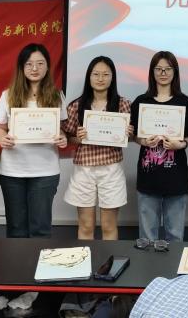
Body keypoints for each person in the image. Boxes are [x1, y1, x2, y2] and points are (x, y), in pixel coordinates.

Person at [0, 43, 68, 238]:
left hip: (45, 171)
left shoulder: (57, 96)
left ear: (47, 66)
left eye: (40, 63)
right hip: (12, 170)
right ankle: (17, 260)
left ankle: (39, 260)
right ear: (22, 67)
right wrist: (2, 139)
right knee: (16, 229)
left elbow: (60, 129)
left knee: (40, 229)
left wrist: (62, 138)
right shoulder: (8, 95)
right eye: (29, 64)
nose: (35, 68)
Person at [62, 56, 132, 240]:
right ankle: (85, 259)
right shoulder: (76, 106)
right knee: (86, 226)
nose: (100, 78)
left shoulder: (123, 104)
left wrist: (128, 133)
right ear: (89, 76)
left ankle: (110, 260)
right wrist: (78, 138)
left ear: (112, 77)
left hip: (111, 169)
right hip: (84, 169)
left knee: (109, 226)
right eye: (96, 74)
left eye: (105, 74)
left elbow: (129, 137)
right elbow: (67, 137)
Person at [130, 51, 188, 242]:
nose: (163, 73)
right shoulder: (141, 101)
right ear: (152, 72)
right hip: (148, 179)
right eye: (158, 69)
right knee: (147, 237)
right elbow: (133, 135)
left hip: (176, 179)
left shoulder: (184, 101)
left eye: (168, 69)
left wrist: (180, 144)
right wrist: (143, 141)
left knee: (175, 236)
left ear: (175, 72)